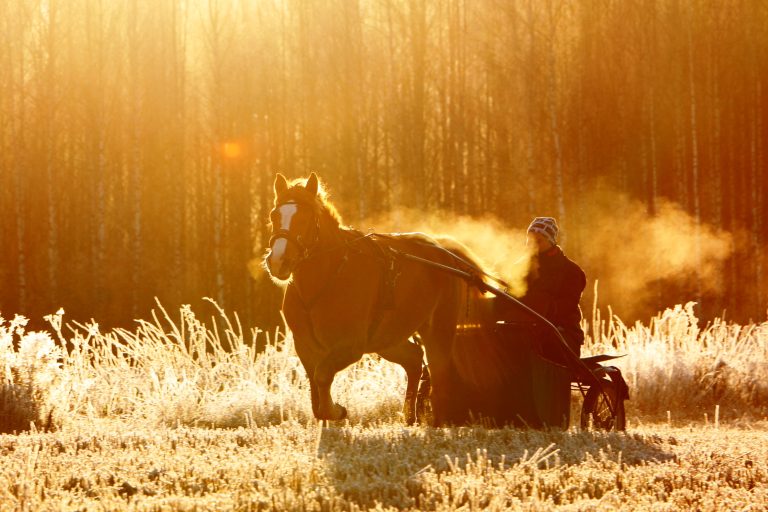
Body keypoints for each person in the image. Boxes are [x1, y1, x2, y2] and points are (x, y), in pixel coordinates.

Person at [518, 216, 587, 357]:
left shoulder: (571, 271)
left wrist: (537, 304)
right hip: (526, 332)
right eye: (529, 240)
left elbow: (565, 306)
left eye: (538, 240)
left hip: (562, 337)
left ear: (550, 242)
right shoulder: (519, 267)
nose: (532, 245)